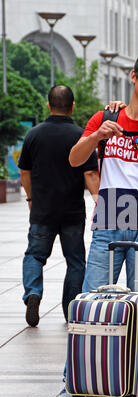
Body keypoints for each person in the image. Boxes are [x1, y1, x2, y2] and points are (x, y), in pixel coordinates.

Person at [54, 54, 138, 397]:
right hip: (109, 221)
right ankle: (75, 382)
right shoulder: (107, 116)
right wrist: (95, 135)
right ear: (133, 76)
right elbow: (75, 160)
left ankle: (133, 383)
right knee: (91, 302)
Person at [18, 85, 99, 327]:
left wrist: (31, 198)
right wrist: (100, 202)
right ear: (72, 106)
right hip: (73, 211)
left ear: (48, 104)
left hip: (43, 210)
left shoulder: (34, 134)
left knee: (35, 254)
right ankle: (70, 308)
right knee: (75, 261)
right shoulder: (81, 136)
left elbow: (24, 172)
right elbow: (90, 173)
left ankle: (33, 293)